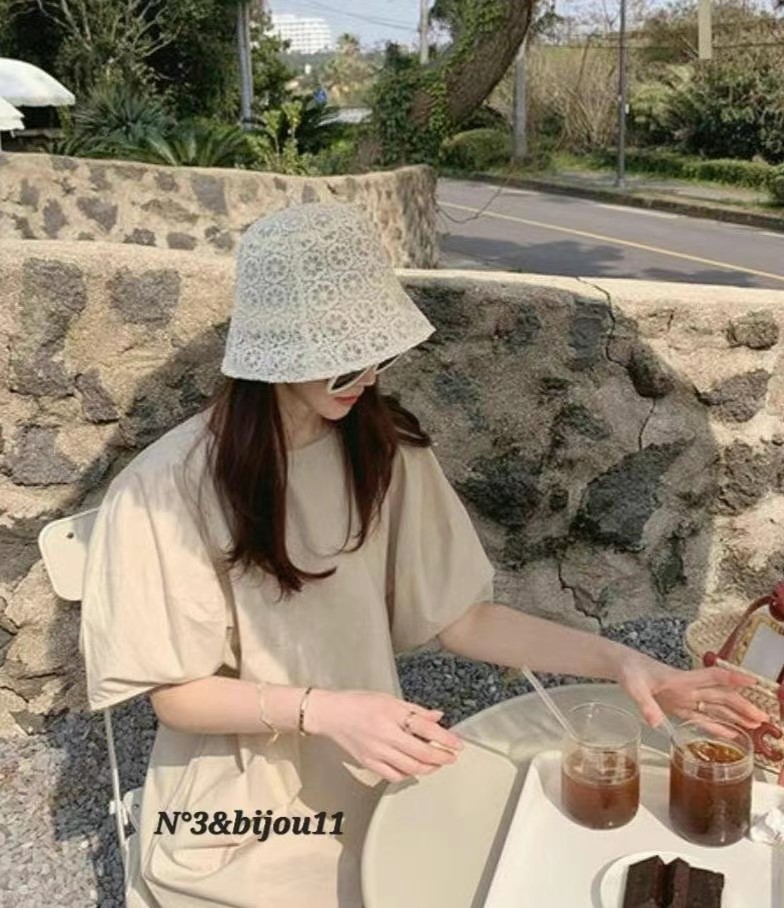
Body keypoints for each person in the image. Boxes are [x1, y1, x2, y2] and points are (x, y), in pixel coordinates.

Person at [79, 202, 767, 908]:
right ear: (275, 357)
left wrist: (625, 663)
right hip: (238, 807)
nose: (368, 378)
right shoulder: (164, 488)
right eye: (347, 363)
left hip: (375, 758)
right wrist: (326, 711)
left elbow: (463, 619)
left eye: (380, 355)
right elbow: (177, 696)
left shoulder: (382, 450)